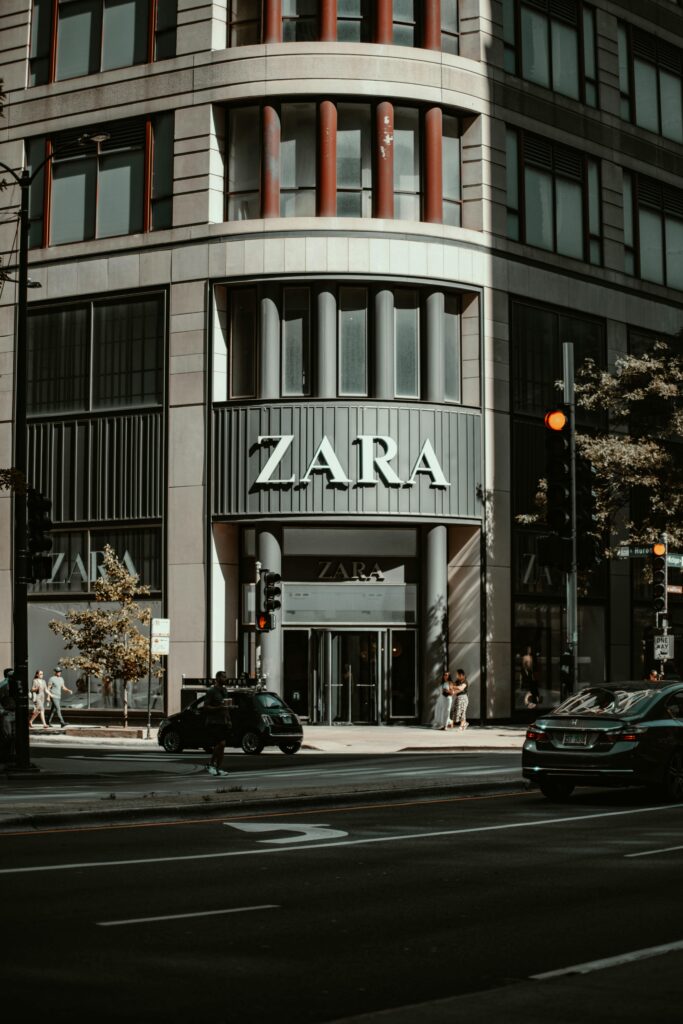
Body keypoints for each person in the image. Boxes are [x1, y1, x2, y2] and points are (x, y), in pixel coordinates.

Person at [204, 670, 232, 776]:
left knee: (222, 746)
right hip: (213, 722)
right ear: (217, 678)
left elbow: (226, 708)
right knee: (220, 743)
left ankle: (218, 768)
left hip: (223, 721)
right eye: (223, 677)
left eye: (225, 677)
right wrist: (218, 708)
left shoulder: (224, 691)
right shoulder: (211, 691)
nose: (225, 679)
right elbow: (206, 707)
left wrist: (229, 719)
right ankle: (211, 764)